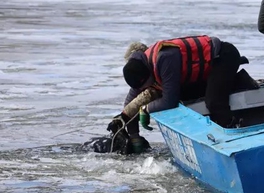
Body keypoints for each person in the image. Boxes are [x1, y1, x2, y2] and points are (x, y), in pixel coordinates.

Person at [95, 35, 251, 154]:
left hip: (223, 57)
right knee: (189, 98)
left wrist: (146, 109)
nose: (149, 88)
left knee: (214, 102)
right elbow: (131, 102)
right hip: (205, 71)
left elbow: (170, 101)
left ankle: (235, 135)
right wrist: (133, 134)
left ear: (148, 74)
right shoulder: (139, 68)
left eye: (148, 84)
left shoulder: (165, 59)